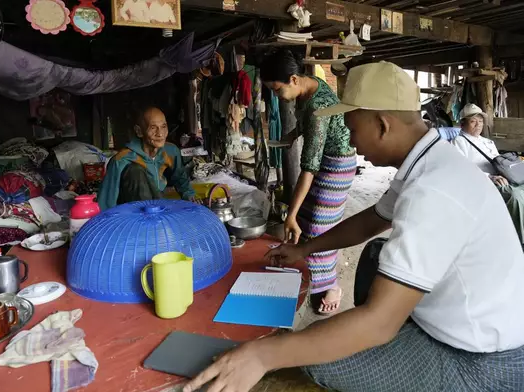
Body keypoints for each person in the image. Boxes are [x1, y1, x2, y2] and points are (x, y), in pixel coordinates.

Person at [183, 61, 524, 392]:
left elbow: (379, 324)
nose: (351, 140)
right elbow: (374, 218)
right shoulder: (432, 160)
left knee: (317, 359)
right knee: (375, 258)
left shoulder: (431, 192)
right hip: (469, 326)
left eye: (352, 127)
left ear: (382, 125)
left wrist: (261, 355)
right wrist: (304, 249)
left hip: (480, 364)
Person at [260, 50, 356, 314]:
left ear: (293, 79)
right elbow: (308, 126)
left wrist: (289, 214)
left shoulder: (317, 107)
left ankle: (331, 285)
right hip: (323, 159)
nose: (278, 97)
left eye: (278, 90)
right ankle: (311, 275)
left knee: (317, 228)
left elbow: (308, 169)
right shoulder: (310, 86)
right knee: (305, 218)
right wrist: (292, 134)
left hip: (337, 165)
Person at [451, 103, 524, 245]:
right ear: (462, 124)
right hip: (483, 182)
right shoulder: (459, 142)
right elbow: (461, 169)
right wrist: (489, 176)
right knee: (514, 195)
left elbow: (500, 164)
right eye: (473, 121)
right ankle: (519, 241)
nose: (478, 125)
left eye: (481, 121)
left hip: (502, 177)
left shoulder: (488, 142)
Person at [98, 107, 196, 210]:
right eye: (153, 128)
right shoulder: (121, 159)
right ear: (139, 131)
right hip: (130, 211)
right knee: (135, 171)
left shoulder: (171, 151)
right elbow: (107, 200)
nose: (160, 134)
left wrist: (189, 196)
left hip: (157, 203)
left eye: (163, 126)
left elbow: (180, 178)